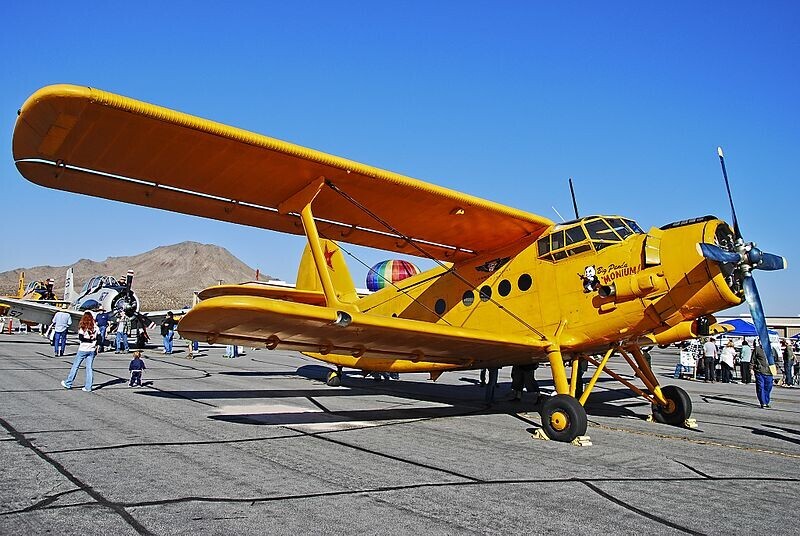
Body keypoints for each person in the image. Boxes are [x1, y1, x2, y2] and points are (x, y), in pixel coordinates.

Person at [60, 312, 99, 392]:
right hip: (92, 349)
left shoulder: (83, 327)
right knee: (89, 368)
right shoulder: (96, 327)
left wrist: (88, 340)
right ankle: (88, 386)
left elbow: (81, 338)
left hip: (83, 349)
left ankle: (68, 382)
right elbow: (100, 339)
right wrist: (95, 344)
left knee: (75, 366)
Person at [752, 340, 774, 408]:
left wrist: (776, 366)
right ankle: (763, 402)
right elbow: (753, 359)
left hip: (769, 372)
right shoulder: (757, 349)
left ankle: (766, 401)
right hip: (759, 371)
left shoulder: (772, 350)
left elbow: (776, 359)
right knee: (760, 386)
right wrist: (751, 369)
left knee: (768, 387)